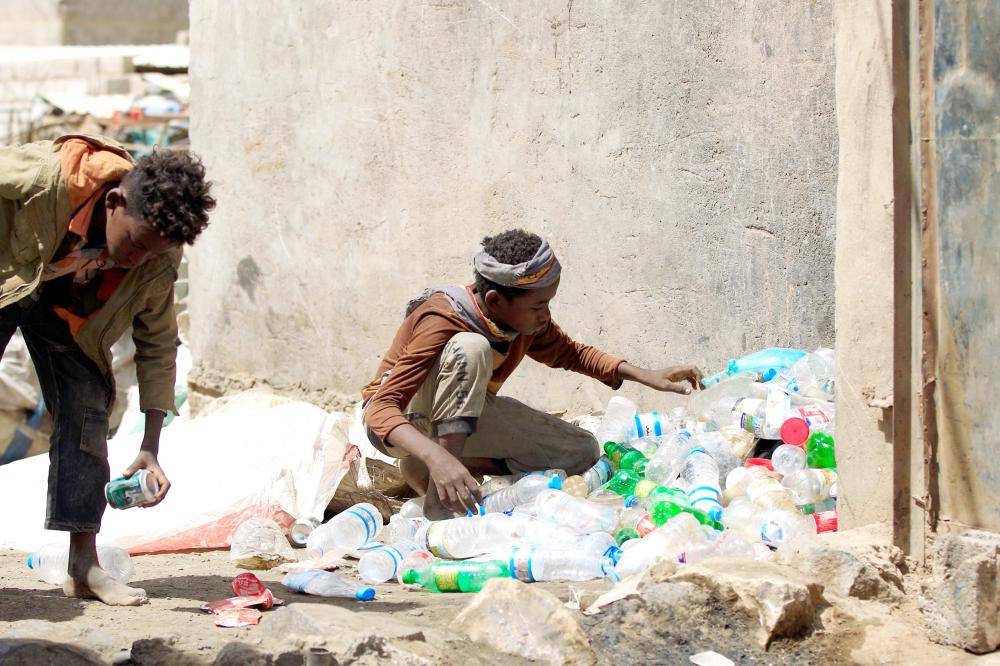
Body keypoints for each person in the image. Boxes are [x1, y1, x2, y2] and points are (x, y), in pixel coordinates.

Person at [0, 134, 214, 605]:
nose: (138, 259)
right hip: (7, 279)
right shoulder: (47, 178)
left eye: (152, 253)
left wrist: (150, 446)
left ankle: (83, 568)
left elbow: (157, 342)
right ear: (115, 202)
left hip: (68, 314)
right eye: (135, 244)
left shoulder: (159, 247)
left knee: (87, 414)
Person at [362, 229, 702, 519]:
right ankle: (441, 500)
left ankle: (434, 471)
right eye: (539, 306)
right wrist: (437, 455)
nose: (545, 315)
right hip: (405, 420)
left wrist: (646, 375)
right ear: (495, 300)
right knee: (471, 348)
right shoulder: (441, 317)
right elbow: (379, 409)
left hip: (458, 417)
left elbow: (570, 353)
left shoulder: (520, 321)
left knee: (580, 451)